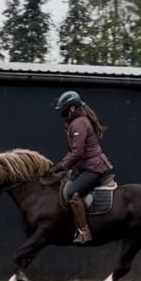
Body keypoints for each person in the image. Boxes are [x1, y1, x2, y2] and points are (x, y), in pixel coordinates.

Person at [51, 90, 114, 244]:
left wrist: (62, 165)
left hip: (94, 167)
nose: (62, 113)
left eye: (64, 109)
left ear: (71, 108)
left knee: (73, 194)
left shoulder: (79, 123)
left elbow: (77, 153)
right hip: (86, 167)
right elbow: (73, 152)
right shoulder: (76, 122)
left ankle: (85, 232)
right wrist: (60, 165)